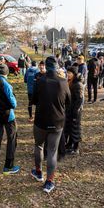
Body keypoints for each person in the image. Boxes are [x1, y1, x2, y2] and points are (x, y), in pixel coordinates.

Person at [31, 56, 71, 193]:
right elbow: (69, 101)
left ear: (46, 67)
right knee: (52, 151)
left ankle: (38, 172)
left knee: (39, 145)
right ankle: (49, 181)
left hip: (41, 121)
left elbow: (34, 100)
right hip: (57, 121)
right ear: (57, 66)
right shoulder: (63, 82)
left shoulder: (39, 81)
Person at [0, 64, 20, 174]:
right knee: (11, 138)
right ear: (7, 73)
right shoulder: (6, 84)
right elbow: (13, 103)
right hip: (8, 115)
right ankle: (9, 166)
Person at [64, 66, 83, 155]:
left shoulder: (78, 84)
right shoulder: (70, 82)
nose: (68, 74)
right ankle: (69, 144)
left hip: (76, 111)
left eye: (70, 73)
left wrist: (75, 112)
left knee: (75, 129)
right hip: (70, 110)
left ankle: (76, 148)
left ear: (74, 74)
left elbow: (79, 100)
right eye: (67, 73)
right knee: (70, 128)